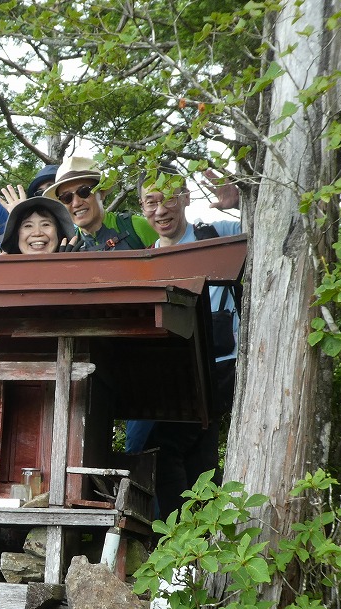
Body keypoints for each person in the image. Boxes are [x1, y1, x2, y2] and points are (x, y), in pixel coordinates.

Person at [128, 168, 243, 522]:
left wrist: (240, 203)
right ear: (142, 207)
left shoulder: (217, 235)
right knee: (198, 457)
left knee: (164, 448)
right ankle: (202, 535)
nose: (161, 210)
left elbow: (272, 234)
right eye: (151, 202)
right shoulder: (145, 260)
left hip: (219, 368)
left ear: (186, 197)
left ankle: (177, 536)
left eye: (169, 198)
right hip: (169, 375)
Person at [41, 156, 157, 251]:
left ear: (101, 193)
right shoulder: (68, 244)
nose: (76, 203)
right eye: (66, 198)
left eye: (84, 192)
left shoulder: (136, 226)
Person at [0, 196, 76, 254]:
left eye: (45, 224)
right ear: (16, 235)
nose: (37, 233)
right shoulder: (1, 270)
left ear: (59, 233)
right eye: (28, 226)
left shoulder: (80, 266)